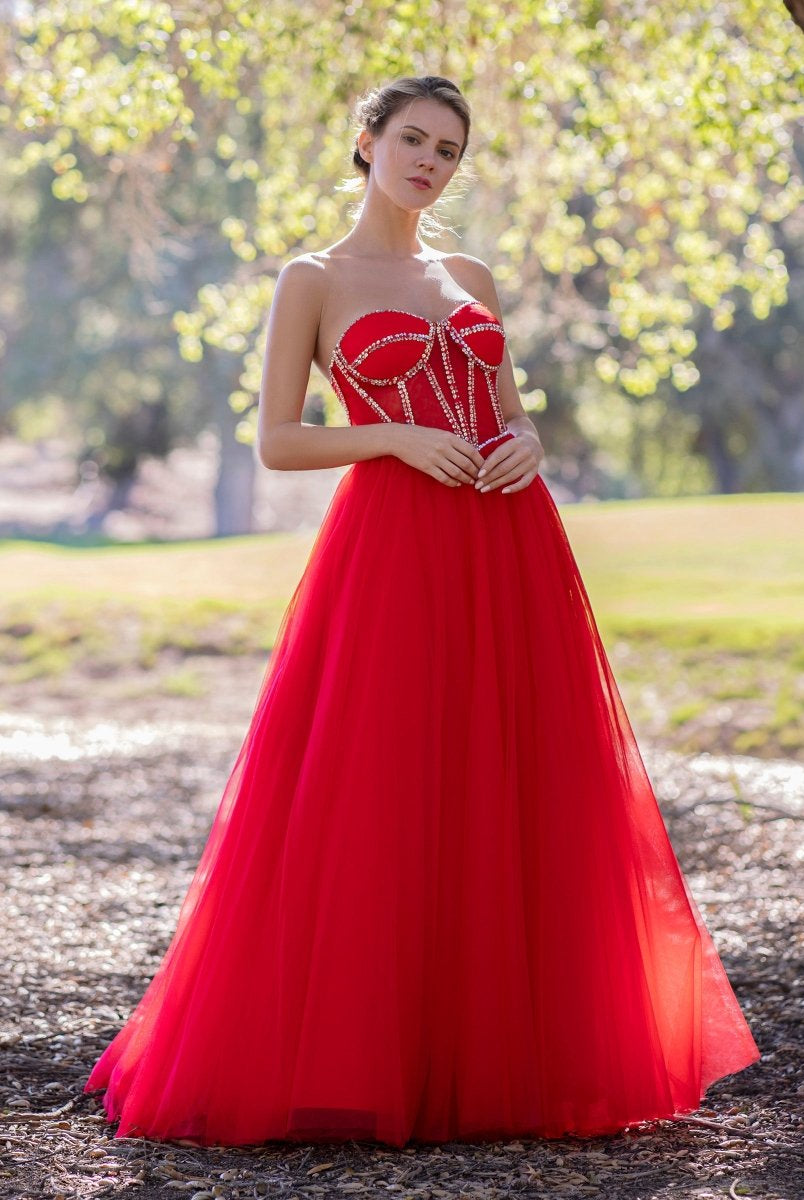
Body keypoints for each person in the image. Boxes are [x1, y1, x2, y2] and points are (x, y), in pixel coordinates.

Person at [84, 74, 760, 1149]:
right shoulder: (314, 278)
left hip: (508, 538)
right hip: (393, 545)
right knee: (387, 783)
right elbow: (281, 441)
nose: (429, 161)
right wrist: (393, 436)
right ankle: (373, 1054)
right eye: (412, 138)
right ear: (367, 141)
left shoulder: (469, 272)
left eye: (448, 148)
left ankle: (504, 1053)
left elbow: (505, 407)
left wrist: (530, 443)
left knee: (514, 778)